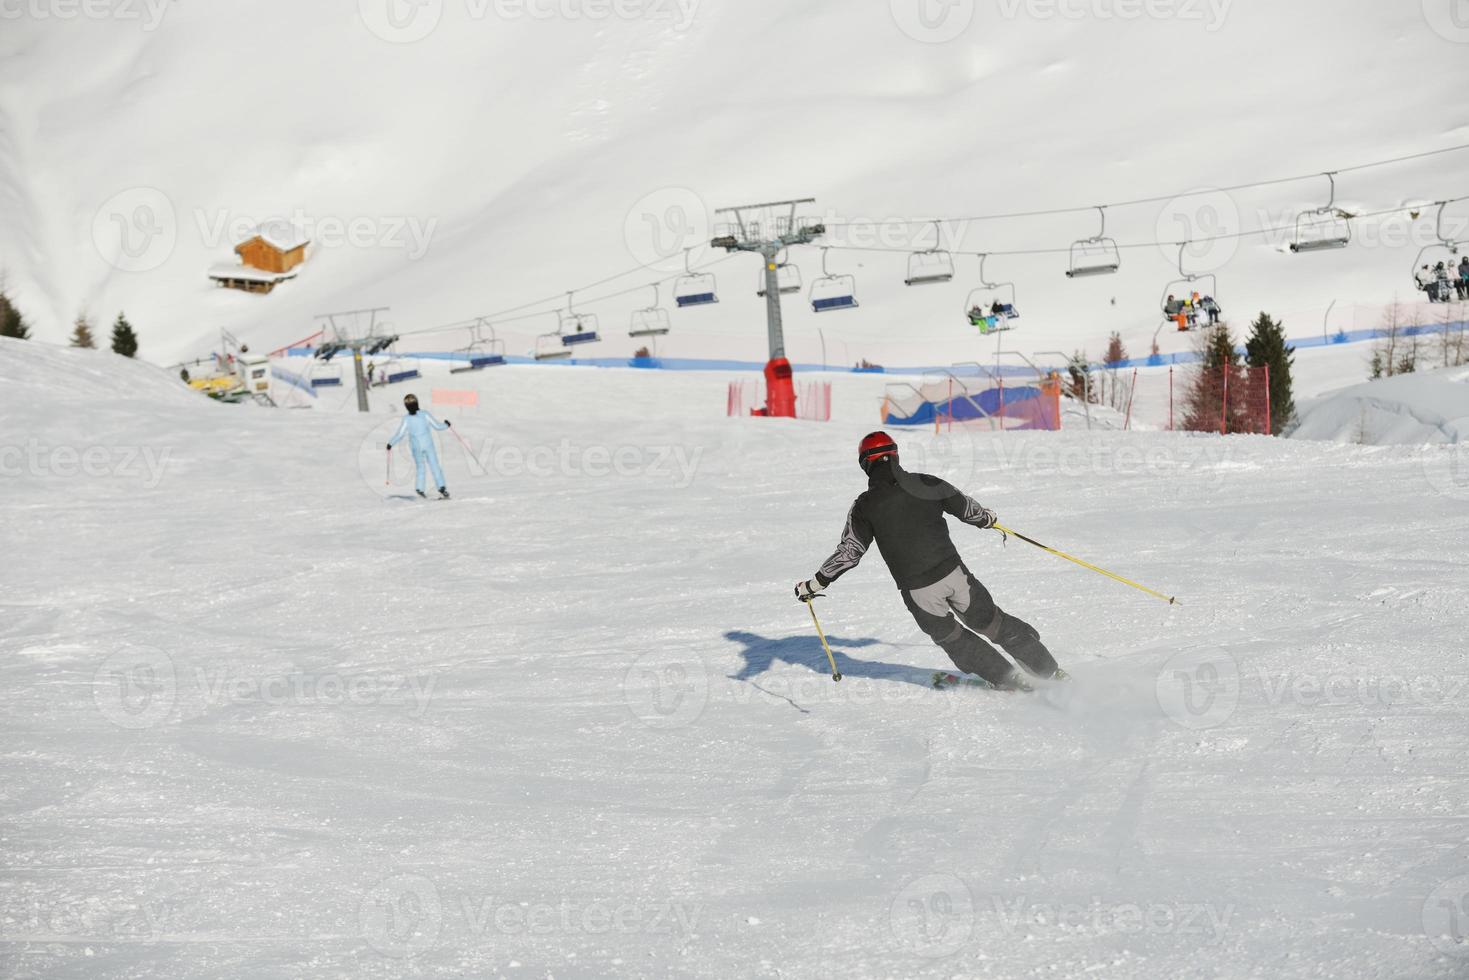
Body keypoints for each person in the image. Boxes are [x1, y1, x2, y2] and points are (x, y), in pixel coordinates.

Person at [793, 432, 1063, 692]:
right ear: (895, 457)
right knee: (993, 623)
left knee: (954, 638)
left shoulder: (864, 506)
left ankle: (1007, 679)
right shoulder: (926, 483)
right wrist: (987, 519)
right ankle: (1050, 672)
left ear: (866, 464)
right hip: (955, 576)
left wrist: (815, 584)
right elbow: (968, 509)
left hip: (919, 592)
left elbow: (850, 552)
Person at [386, 393, 451, 499]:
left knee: (420, 467)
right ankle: (442, 487)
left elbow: (400, 434)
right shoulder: (425, 414)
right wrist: (447, 425)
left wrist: (390, 443)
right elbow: (437, 426)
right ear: (417, 403)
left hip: (416, 448)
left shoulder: (406, 419)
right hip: (428, 445)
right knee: (434, 465)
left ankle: (420, 489)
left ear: (406, 406)